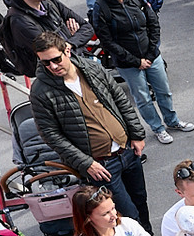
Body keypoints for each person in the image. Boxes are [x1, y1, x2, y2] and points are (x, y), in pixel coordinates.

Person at [29, 33, 151, 223]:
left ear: (67, 51)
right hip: (100, 165)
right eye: (46, 62)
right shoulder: (40, 91)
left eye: (56, 59)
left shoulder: (92, 68)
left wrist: (137, 135)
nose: (52, 66)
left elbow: (121, 101)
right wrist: (86, 163)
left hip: (127, 151)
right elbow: (50, 134)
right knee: (127, 214)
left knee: (140, 201)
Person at [93, 0, 187, 142]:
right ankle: (158, 128)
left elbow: (153, 25)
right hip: (128, 63)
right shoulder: (101, 8)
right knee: (143, 98)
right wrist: (136, 61)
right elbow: (108, 42)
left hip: (151, 56)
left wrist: (150, 55)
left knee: (164, 92)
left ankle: (172, 121)